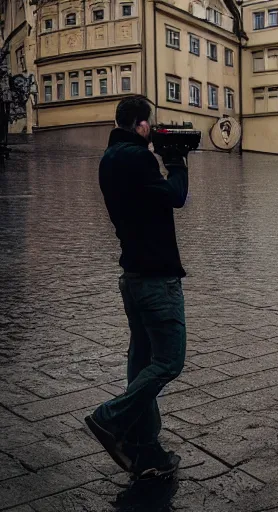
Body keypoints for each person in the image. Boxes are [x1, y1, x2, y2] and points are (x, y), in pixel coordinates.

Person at [85, 96, 188, 479]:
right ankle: (109, 420)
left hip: (133, 276)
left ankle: (146, 451)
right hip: (156, 278)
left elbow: (150, 201)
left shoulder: (109, 159)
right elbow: (175, 196)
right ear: (141, 124)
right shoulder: (138, 159)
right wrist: (177, 162)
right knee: (168, 361)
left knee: (142, 362)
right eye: (151, 124)